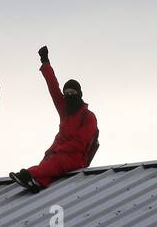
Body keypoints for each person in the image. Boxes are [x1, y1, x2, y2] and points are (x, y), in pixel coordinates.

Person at [9, 45, 98, 193]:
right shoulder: (65, 110)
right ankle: (36, 182)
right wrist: (45, 62)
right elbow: (53, 87)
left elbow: (81, 142)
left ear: (79, 94)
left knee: (55, 163)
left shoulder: (88, 116)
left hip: (75, 157)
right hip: (55, 153)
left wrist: (59, 150)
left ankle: (29, 174)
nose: (69, 95)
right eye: (66, 93)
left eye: (72, 92)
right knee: (48, 164)